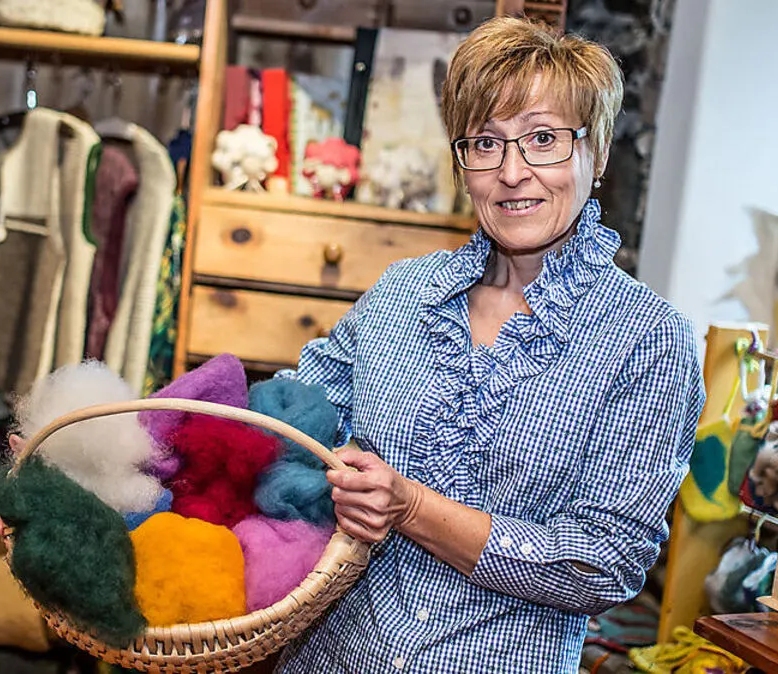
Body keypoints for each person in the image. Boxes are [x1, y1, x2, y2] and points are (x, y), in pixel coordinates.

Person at [273, 16, 705, 673]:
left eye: (543, 139)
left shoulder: (648, 340)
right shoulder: (402, 292)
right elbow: (293, 419)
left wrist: (412, 506)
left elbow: (604, 562)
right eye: (485, 142)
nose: (511, 171)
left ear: (598, 153)